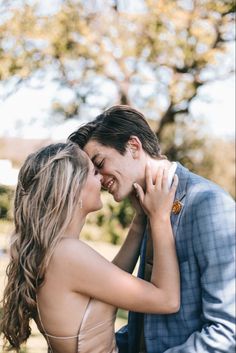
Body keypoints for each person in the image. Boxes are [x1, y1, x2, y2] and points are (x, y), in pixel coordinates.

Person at [68, 105, 236, 353]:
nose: (99, 179)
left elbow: (227, 331)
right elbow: (149, 327)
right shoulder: (147, 209)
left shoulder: (208, 204)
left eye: (100, 163)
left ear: (133, 147)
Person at [1, 141, 180, 353]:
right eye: (94, 172)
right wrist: (159, 218)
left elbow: (110, 281)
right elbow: (167, 300)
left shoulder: (55, 250)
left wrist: (140, 218)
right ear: (73, 187)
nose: (103, 179)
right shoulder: (67, 254)